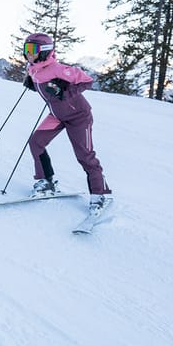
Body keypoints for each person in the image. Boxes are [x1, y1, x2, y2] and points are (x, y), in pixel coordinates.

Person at [22, 32, 113, 214]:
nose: (28, 53)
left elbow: (87, 81)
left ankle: (100, 194)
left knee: (84, 155)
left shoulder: (57, 69)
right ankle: (46, 181)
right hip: (57, 115)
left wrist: (64, 92)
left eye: (32, 49)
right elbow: (46, 87)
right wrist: (33, 84)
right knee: (36, 142)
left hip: (78, 117)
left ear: (44, 51)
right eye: (26, 48)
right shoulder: (33, 68)